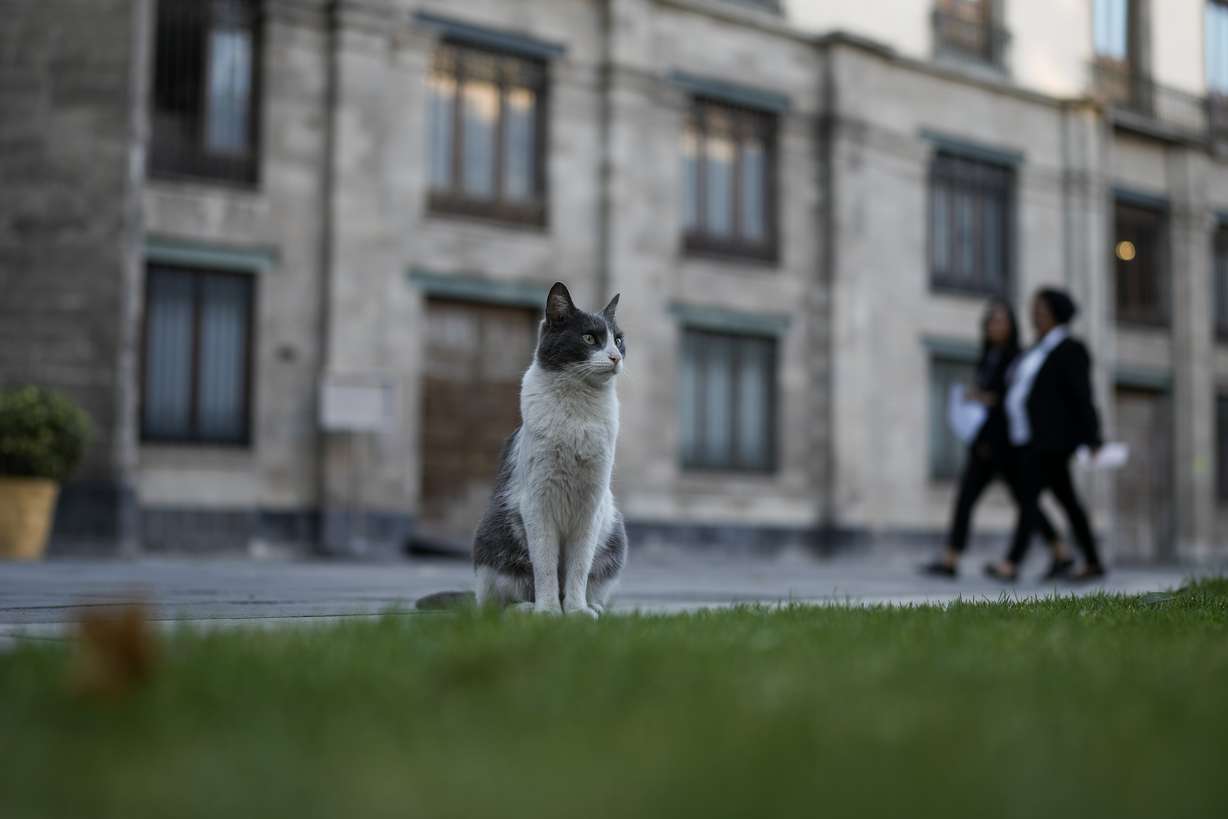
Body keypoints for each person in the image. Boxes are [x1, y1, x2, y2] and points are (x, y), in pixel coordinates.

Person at [921, 300, 1071, 579]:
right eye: (990, 321)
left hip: (1007, 446)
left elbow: (1016, 400)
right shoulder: (986, 357)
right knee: (966, 498)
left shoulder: (1018, 359)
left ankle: (1058, 551)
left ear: (1011, 326)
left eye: (1000, 321)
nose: (994, 326)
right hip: (982, 443)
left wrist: (985, 398)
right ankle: (951, 558)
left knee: (1027, 502)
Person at [986, 288, 1106, 582]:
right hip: (1027, 437)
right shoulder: (1035, 349)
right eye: (1034, 308)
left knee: (1028, 498)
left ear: (1056, 312)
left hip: (1051, 440)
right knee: (1066, 501)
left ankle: (1012, 563)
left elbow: (1082, 396)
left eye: (1040, 308)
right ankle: (1089, 560)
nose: (1034, 314)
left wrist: (1093, 438)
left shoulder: (1071, 349)